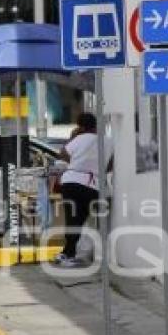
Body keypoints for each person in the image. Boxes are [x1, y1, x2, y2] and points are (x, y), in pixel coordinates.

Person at [54, 112, 112, 267]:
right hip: (92, 185)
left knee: (73, 218)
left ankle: (68, 253)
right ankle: (68, 252)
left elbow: (63, 154)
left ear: (80, 126)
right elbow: (109, 165)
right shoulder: (108, 141)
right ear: (95, 125)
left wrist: (76, 160)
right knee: (80, 219)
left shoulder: (78, 139)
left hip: (71, 182)